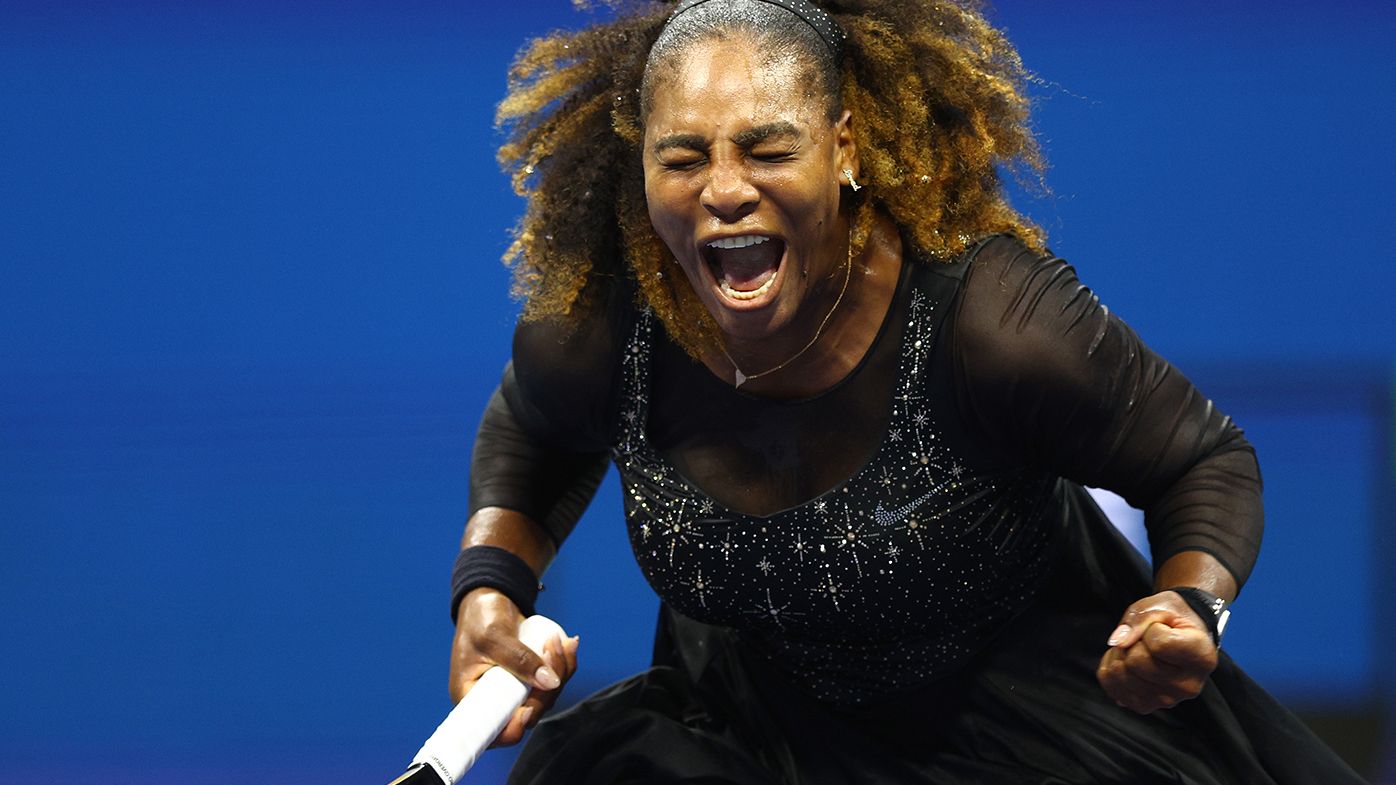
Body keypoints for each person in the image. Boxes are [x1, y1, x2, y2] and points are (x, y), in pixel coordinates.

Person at [445, 1, 1368, 782]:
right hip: (742, 728)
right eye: (681, 158)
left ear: (844, 146)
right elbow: (529, 436)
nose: (723, 190)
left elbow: (1202, 459)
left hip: (1019, 730)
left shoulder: (999, 327)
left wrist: (1187, 605)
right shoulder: (602, 328)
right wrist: (489, 591)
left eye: (767, 148)